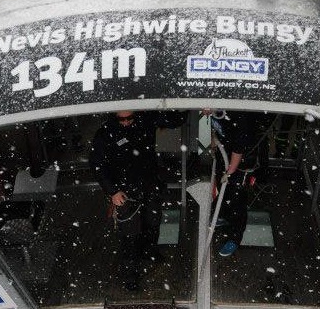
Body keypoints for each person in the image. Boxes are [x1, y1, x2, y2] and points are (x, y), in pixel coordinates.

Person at [89, 110, 187, 291]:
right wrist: (112, 191)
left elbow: (174, 119)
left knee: (153, 223)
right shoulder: (105, 134)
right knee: (130, 235)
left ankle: (149, 252)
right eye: (121, 119)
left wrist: (192, 105)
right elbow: (97, 165)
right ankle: (130, 275)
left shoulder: (145, 120)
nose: (126, 122)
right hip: (125, 192)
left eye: (129, 118)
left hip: (149, 184)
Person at [203, 109, 257, 257]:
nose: (203, 111)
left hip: (240, 162)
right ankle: (224, 215)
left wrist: (229, 172)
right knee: (223, 189)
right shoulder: (215, 110)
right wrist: (214, 143)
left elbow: (239, 148)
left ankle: (235, 237)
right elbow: (216, 128)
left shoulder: (240, 116)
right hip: (225, 153)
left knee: (237, 199)